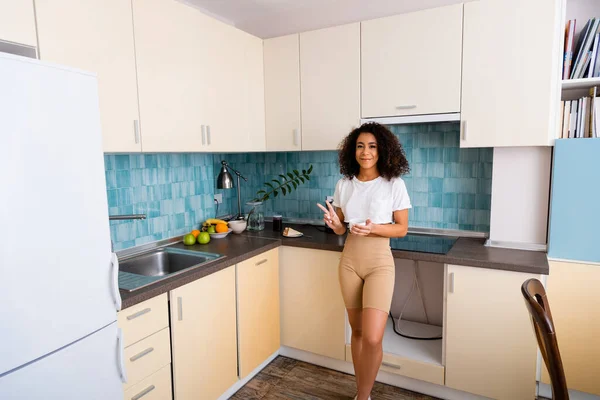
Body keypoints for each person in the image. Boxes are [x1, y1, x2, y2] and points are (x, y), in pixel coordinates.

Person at [317, 122, 411, 400]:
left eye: (372, 146)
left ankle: (362, 395)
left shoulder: (394, 184)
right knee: (356, 332)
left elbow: (402, 228)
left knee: (372, 337)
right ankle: (364, 394)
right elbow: (342, 227)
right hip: (349, 262)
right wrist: (334, 223)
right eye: (360, 146)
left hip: (379, 262)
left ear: (382, 150)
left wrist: (374, 229)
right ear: (352, 150)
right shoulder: (344, 184)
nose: (365, 152)